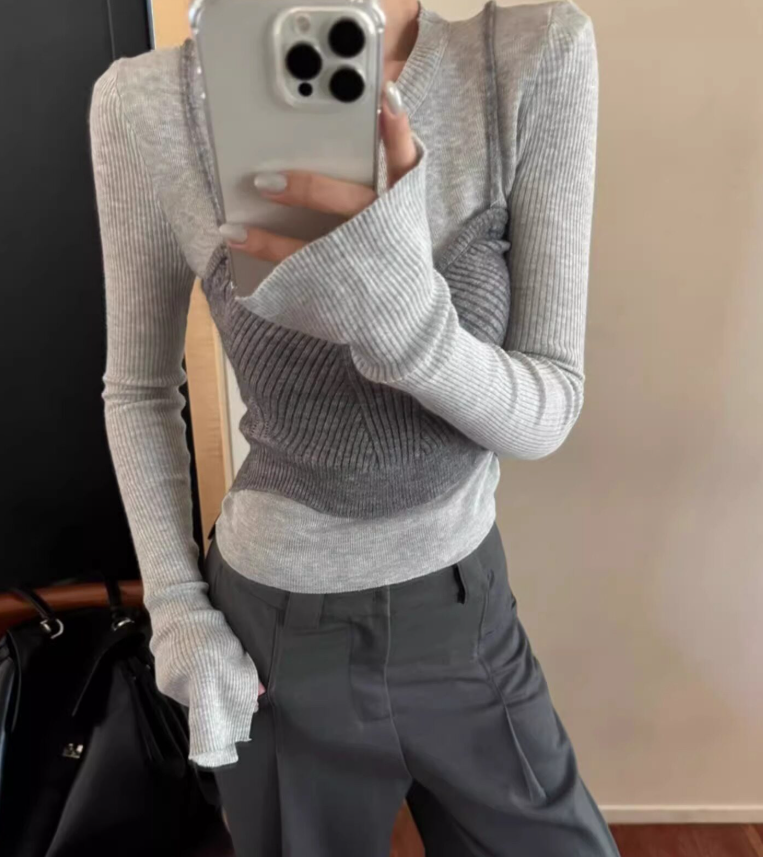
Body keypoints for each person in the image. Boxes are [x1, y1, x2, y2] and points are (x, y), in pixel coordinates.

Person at [89, 0, 619, 853]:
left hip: (465, 616)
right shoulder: (149, 100)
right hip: (275, 638)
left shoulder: (527, 56)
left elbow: (546, 410)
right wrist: (178, 613)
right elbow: (140, 390)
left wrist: (406, 324)